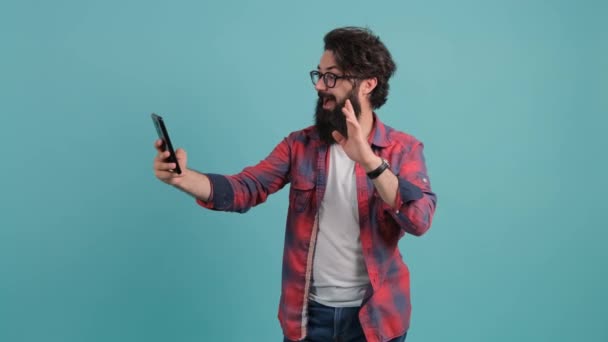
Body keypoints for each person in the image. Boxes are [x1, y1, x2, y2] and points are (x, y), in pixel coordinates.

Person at [153, 27, 437, 342]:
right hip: (307, 317)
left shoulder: (404, 149)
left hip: (376, 319)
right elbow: (246, 188)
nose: (319, 85)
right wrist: (183, 177)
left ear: (368, 83)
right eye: (318, 74)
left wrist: (370, 161)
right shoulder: (299, 145)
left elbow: (418, 219)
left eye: (332, 77)